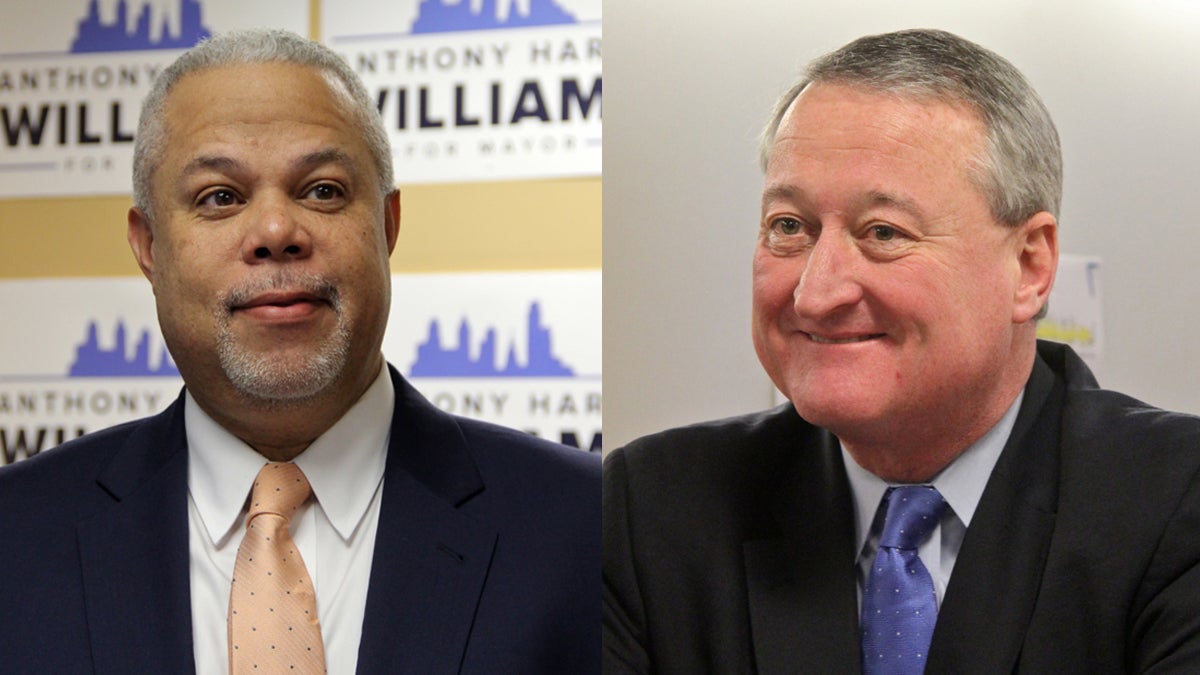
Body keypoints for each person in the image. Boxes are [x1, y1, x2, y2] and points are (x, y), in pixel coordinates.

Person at [0, 29, 599, 674]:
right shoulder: (16, 537)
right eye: (220, 198)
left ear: (388, 226)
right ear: (148, 247)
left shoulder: (590, 527)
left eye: (322, 190)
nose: (277, 231)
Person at [603, 28, 1200, 673]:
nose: (816, 292)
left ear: (1029, 267)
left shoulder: (1175, 504)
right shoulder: (652, 508)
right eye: (789, 227)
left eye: (883, 232)